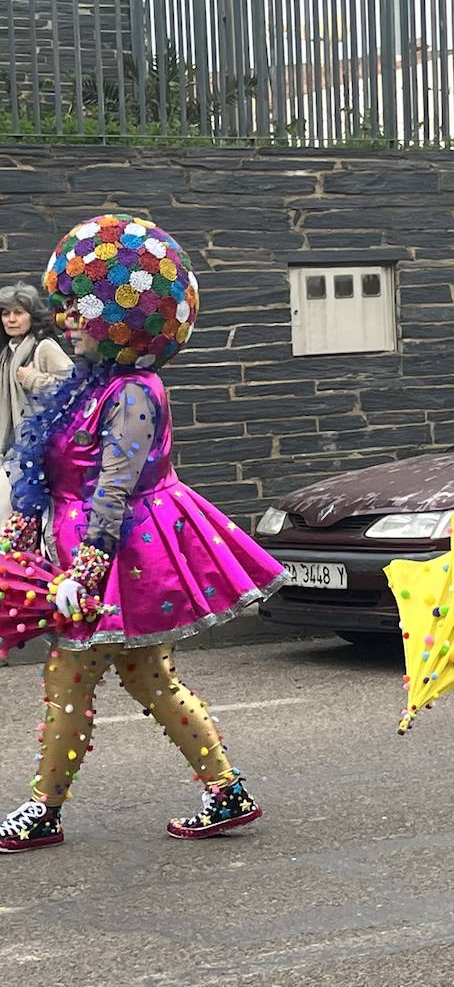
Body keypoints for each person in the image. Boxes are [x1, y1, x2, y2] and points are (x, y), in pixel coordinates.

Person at [0, 213, 288, 852]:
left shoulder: (133, 391)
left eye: (80, 310)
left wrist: (86, 571)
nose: (66, 319)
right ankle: (226, 789)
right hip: (80, 546)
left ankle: (44, 808)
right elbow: (41, 468)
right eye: (66, 308)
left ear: (119, 322)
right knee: (148, 677)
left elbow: (114, 487)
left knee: (69, 677)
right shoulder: (85, 382)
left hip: (118, 553)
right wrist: (23, 536)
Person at [0, 281, 73, 519]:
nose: (11, 319)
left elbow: (73, 387)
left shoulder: (43, 348)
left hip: (42, 451)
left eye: (18, 313)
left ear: (32, 316)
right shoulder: (8, 352)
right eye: (5, 313)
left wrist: (33, 379)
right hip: (13, 450)